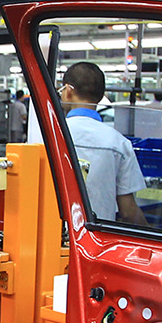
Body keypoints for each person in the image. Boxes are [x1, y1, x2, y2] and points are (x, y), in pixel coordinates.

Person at [58, 62, 146, 225]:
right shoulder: (118, 143)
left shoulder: (50, 136)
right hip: (98, 241)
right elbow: (128, 211)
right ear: (100, 95)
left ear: (68, 92)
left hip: (52, 239)